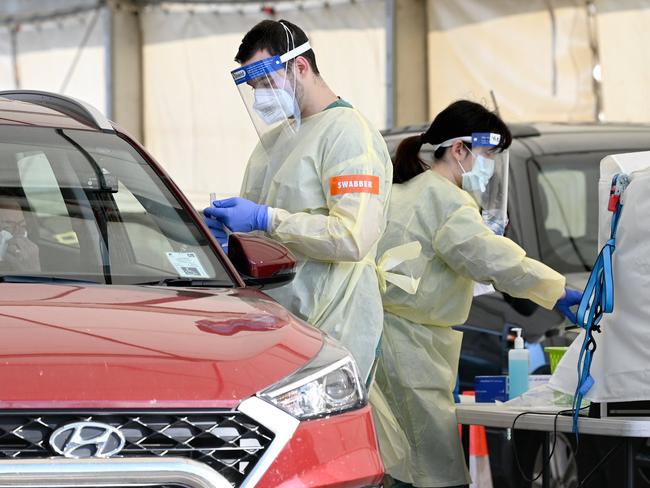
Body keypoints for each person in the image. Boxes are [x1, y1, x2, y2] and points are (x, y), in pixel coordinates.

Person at [373, 100, 582, 487]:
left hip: (391, 345)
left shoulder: (404, 192)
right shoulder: (447, 202)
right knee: (433, 472)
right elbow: (495, 259)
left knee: (398, 466)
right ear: (458, 150)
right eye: (487, 154)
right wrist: (558, 290)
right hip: (411, 354)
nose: (489, 167)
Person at [203, 20, 393, 381]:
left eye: (266, 82)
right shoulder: (274, 140)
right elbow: (258, 224)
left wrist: (266, 219)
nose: (260, 96)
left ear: (300, 67)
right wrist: (227, 237)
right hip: (279, 322)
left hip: (333, 321)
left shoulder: (349, 134)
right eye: (254, 87)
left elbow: (352, 236)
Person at [0, 196, 40, 273]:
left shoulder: (29, 258)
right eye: (8, 227)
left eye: (22, 225)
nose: (19, 233)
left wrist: (32, 269)